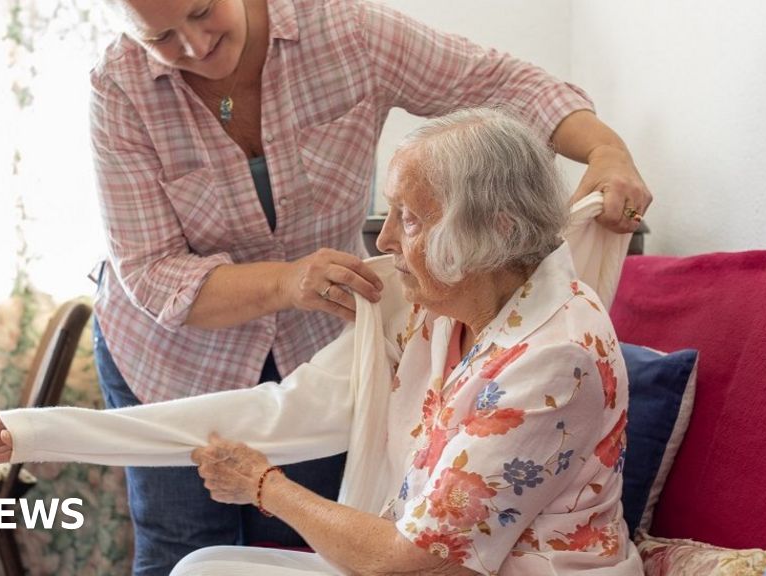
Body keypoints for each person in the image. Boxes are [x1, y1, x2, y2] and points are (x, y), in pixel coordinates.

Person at [88, 0, 650, 572]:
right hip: (174, 351)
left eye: (202, 11)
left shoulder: (345, 32)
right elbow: (153, 274)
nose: (193, 44)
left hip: (318, 327)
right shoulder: (119, 87)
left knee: (284, 539)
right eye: (160, 38)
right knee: (179, 548)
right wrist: (28, 432)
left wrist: (607, 151)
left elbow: (501, 83)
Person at [0, 107, 644, 574]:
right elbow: (273, 413)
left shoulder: (554, 356)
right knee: (202, 565)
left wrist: (264, 486)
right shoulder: (435, 306)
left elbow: (407, 560)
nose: (382, 242)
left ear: (493, 231)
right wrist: (37, 432)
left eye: (407, 219)